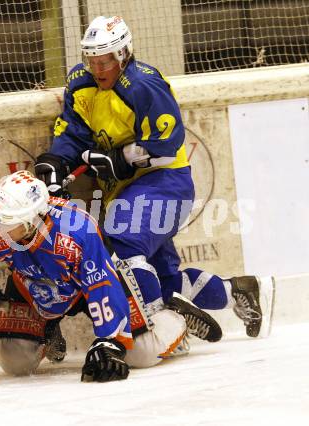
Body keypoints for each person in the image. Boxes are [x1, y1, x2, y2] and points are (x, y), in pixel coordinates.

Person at [34, 15, 263, 339]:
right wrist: (57, 159)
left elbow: (167, 145)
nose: (98, 69)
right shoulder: (80, 82)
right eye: (93, 60)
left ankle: (158, 325)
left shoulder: (144, 85)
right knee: (164, 277)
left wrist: (123, 159)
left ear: (123, 54)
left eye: (106, 61)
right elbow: (74, 130)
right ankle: (238, 291)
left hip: (164, 182)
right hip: (125, 191)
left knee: (119, 239)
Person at [0, 171, 221, 382]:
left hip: (90, 287)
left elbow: (102, 285)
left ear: (34, 219)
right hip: (34, 286)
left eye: (8, 224)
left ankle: (174, 316)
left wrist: (110, 341)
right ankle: (47, 329)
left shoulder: (77, 230)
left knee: (140, 355)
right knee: (14, 362)